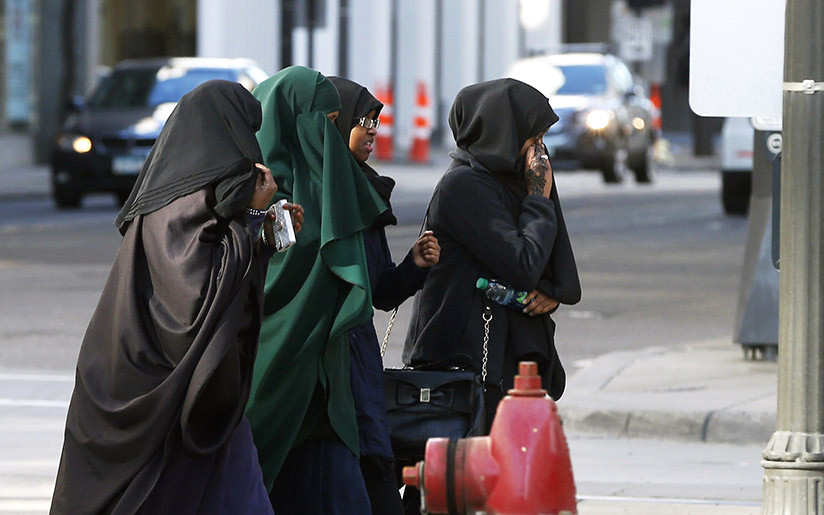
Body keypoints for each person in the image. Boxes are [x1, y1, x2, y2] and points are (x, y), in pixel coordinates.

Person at [50, 79, 304, 514]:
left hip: (202, 397)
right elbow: (193, 305)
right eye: (245, 129)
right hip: (161, 395)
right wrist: (255, 216)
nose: (251, 145)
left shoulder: (205, 201)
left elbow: (224, 280)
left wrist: (261, 236)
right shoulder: (179, 207)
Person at [244, 66, 393, 514]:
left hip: (325, 391)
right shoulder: (248, 198)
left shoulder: (329, 189)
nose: (330, 138)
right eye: (325, 125)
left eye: (334, 124)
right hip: (268, 385)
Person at [403, 77, 581, 432]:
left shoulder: (511, 180)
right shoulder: (464, 186)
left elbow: (559, 272)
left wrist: (551, 291)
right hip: (466, 364)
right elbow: (523, 263)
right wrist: (537, 197)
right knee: (460, 480)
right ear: (505, 134)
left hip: (507, 364)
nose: (539, 155)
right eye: (533, 140)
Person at [328, 76, 440, 515]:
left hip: (356, 365)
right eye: (363, 121)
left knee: (373, 474)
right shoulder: (299, 196)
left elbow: (380, 291)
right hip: (317, 369)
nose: (373, 130)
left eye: (376, 121)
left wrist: (415, 264)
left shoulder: (363, 193)